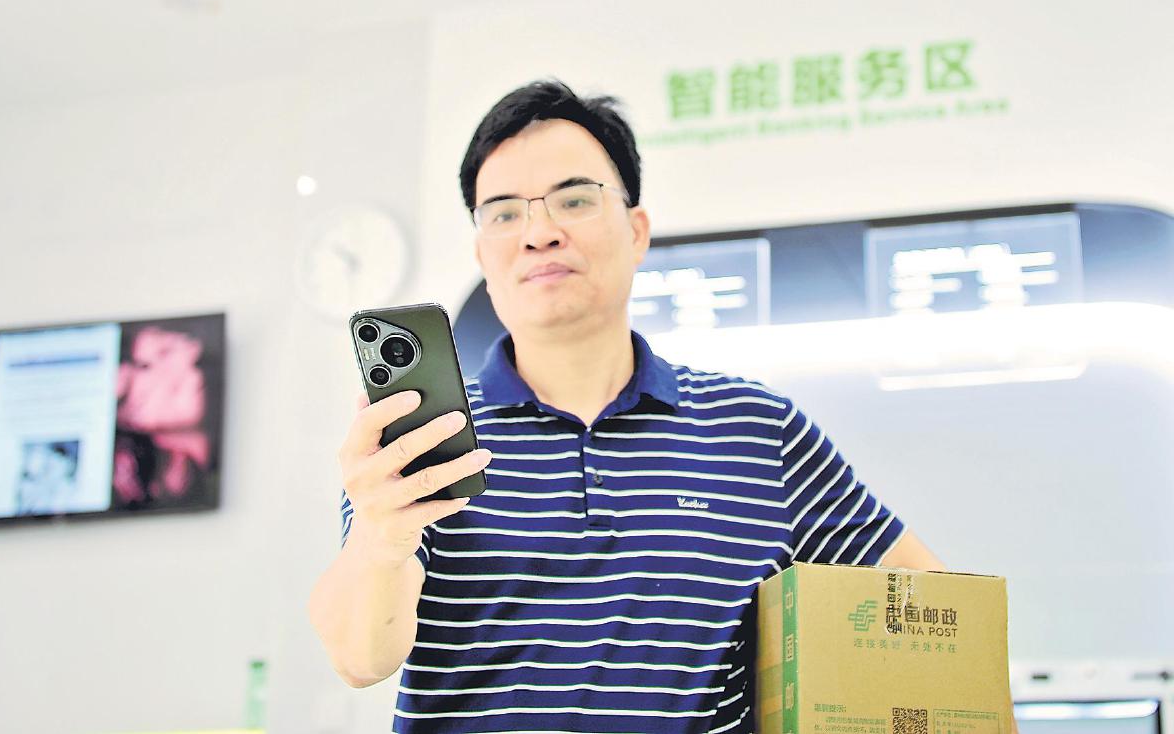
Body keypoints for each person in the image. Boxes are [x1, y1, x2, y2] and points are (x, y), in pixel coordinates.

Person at [308, 79, 946, 733]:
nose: (539, 233)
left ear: (637, 231)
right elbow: (360, 658)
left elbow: (929, 612)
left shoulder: (758, 430)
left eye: (574, 200)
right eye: (503, 214)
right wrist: (381, 538)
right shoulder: (428, 438)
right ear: (482, 255)